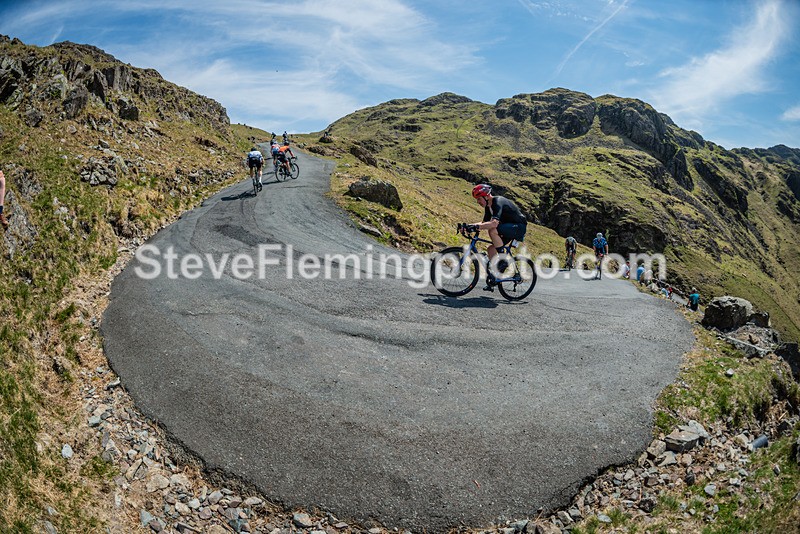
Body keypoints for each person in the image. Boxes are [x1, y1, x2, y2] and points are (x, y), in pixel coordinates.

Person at [469, 184, 527, 290]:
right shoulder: (488, 207)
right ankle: (496, 276)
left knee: (492, 229)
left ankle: (503, 260)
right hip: (508, 228)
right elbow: (484, 223)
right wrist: (469, 226)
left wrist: (477, 226)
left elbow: (494, 224)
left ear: (486, 196)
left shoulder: (497, 201)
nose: (478, 202)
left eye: (479, 199)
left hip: (519, 227)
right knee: (491, 249)